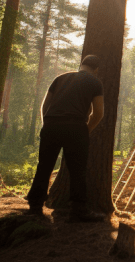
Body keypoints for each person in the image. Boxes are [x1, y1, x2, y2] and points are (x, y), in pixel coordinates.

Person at [26, 55, 106, 222]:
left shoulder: (59, 78)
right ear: (96, 70)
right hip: (76, 127)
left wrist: (46, 124)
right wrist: (86, 130)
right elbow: (98, 113)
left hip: (51, 125)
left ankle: (35, 207)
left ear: (81, 65)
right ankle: (78, 210)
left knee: (44, 166)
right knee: (77, 171)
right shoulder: (95, 82)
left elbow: (45, 105)